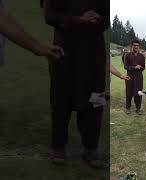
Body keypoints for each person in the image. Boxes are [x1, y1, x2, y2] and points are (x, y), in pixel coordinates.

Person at [44, 0, 107, 168]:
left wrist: (98, 19)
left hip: (94, 53)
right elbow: (50, 16)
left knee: (96, 101)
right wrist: (79, 19)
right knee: (60, 98)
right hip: (64, 51)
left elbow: (108, 19)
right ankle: (58, 147)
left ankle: (90, 148)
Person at [124, 40, 145, 115]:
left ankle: (138, 108)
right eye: (134, 45)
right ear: (132, 46)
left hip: (139, 77)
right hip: (130, 77)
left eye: (137, 45)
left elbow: (143, 67)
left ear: (139, 47)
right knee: (128, 92)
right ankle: (128, 108)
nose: (136, 47)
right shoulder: (128, 55)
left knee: (139, 92)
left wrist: (140, 67)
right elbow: (125, 66)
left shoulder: (142, 56)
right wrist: (134, 67)